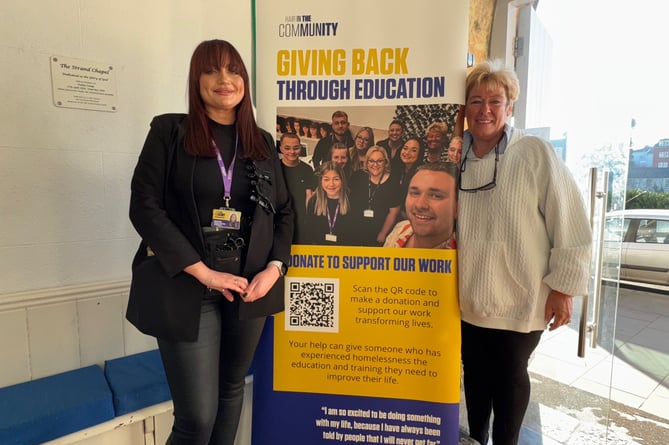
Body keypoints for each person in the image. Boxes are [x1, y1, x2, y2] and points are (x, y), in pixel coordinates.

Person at [126, 39, 294, 445]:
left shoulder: (262, 143)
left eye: (234, 69)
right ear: (195, 79)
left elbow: (285, 212)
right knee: (197, 418)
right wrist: (204, 273)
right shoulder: (169, 131)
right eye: (211, 70)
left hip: (249, 288)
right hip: (189, 285)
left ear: (245, 81)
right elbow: (144, 207)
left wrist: (274, 269)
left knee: (232, 391)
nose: (224, 79)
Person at [457, 59, 591, 445]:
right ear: (464, 108)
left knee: (511, 374)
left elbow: (570, 222)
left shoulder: (534, 153)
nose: (485, 110)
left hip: (522, 296)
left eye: (495, 101)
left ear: (510, 107)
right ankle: (476, 438)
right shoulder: (453, 157)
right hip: (467, 297)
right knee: (476, 374)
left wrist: (563, 288)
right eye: (476, 101)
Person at [384, 162, 457, 249]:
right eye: (415, 193)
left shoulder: (464, 256)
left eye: (436, 196)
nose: (420, 205)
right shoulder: (401, 228)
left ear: (458, 208)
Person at [349, 146, 401, 246]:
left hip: (377, 232)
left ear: (385, 162)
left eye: (379, 161)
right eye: (371, 161)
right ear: (367, 162)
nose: (375, 165)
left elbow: (393, 213)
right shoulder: (358, 176)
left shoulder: (393, 182)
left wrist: (382, 233)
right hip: (354, 229)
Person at [303, 161, 353, 245]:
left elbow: (356, 232)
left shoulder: (352, 200)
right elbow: (309, 231)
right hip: (320, 252)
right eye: (326, 179)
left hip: (345, 252)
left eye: (336, 179)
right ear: (321, 181)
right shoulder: (314, 201)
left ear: (342, 180)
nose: (331, 184)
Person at [279, 132, 316, 244]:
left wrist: (307, 220)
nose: (292, 152)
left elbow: (309, 196)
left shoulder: (308, 170)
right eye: (287, 148)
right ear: (281, 148)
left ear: (300, 148)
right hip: (279, 220)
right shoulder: (275, 168)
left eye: (295, 148)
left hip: (300, 221)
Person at [392, 136, 425, 219]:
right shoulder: (396, 168)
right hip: (395, 212)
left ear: (420, 154)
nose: (407, 153)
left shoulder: (422, 174)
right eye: (405, 148)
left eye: (413, 150)